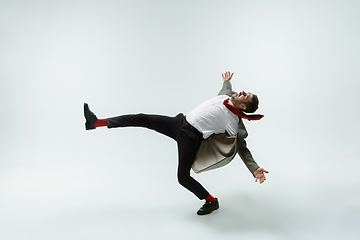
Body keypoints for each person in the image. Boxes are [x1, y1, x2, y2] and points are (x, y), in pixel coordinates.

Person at [84, 71, 269, 215]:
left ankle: (211, 201)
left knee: (182, 177)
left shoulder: (233, 123)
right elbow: (226, 90)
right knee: (141, 118)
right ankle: (96, 122)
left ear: (243, 107)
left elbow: (241, 147)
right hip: (179, 122)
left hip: (190, 138)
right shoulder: (226, 97)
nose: (242, 92)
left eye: (245, 96)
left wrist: (254, 168)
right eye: (244, 92)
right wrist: (227, 81)